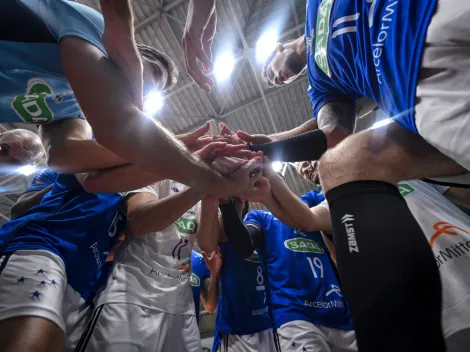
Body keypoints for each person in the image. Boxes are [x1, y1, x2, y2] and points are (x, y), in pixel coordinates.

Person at [0, 0, 260, 200]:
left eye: (151, 92)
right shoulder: (97, 28)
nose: (145, 88)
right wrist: (215, 182)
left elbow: (66, 156)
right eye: (154, 72)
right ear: (135, 48)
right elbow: (117, 128)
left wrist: (185, 151)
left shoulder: (77, 109)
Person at [79, 152, 245, 352]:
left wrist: (221, 198)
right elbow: (139, 221)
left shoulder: (202, 194)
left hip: (181, 307)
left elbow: (209, 245)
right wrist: (201, 185)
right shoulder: (155, 172)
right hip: (132, 296)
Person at [0, 166, 126, 352]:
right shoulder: (69, 165)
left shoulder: (132, 193)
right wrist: (63, 182)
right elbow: (19, 208)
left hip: (84, 283)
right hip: (43, 248)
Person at [211, 198, 276, 352]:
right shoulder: (224, 232)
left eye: (241, 200)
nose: (240, 202)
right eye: (236, 200)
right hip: (237, 329)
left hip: (266, 322)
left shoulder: (259, 229)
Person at [190, 249, 221, 323]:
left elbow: (210, 307)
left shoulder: (199, 261)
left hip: (189, 331)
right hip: (159, 329)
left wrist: (213, 272)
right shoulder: (157, 259)